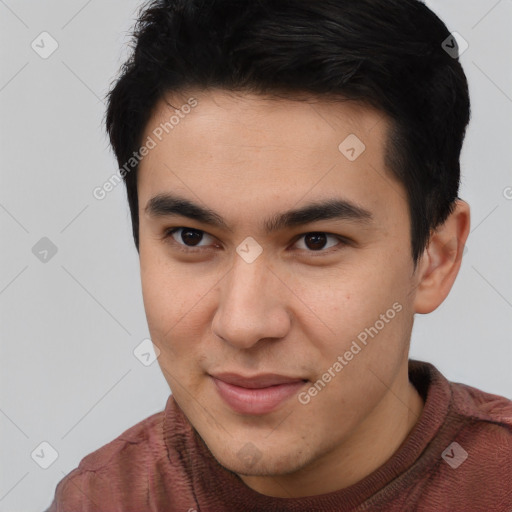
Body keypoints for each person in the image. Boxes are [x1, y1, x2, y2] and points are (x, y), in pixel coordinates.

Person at [46, 0, 512, 510]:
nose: (243, 324)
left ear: (435, 258)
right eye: (191, 237)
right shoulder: (104, 498)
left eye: (316, 241)